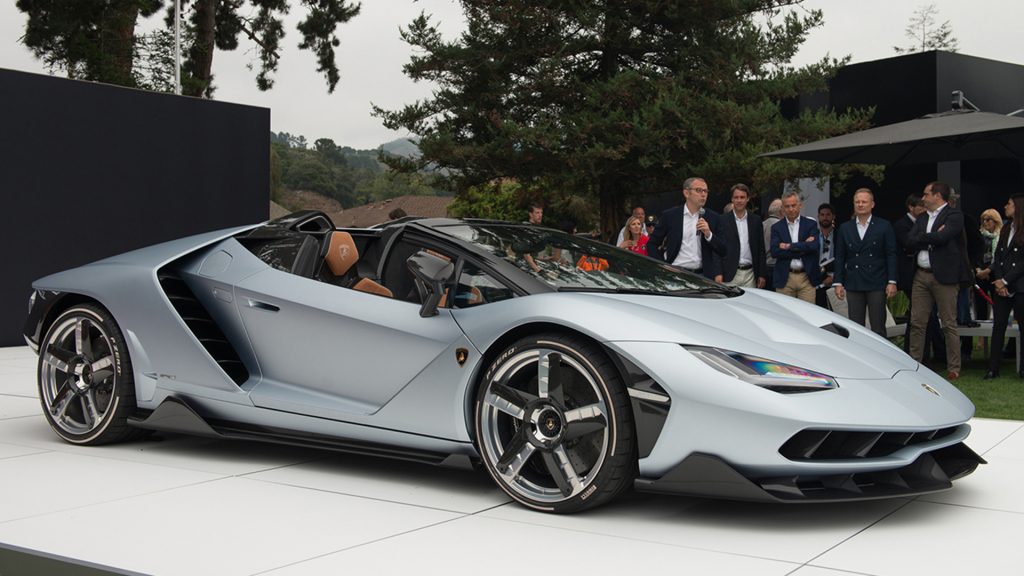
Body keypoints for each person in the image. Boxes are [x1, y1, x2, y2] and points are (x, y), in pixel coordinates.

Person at [907, 181, 971, 380]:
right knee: (917, 322)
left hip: (944, 276)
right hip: (921, 274)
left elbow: (944, 237)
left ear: (937, 196)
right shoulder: (922, 217)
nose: (923, 198)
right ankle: (914, 363)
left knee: (948, 322)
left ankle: (954, 367)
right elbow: (910, 240)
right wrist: (933, 236)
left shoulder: (954, 215)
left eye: (926, 194)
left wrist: (927, 237)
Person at [832, 188, 898, 337]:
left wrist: (892, 281)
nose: (860, 204)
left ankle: (880, 352)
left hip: (877, 281)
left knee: (878, 326)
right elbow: (840, 256)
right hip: (854, 281)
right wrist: (838, 282)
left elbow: (891, 254)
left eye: (864, 202)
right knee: (856, 327)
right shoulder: (845, 227)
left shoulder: (884, 226)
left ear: (872, 204)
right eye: (857, 202)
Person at [649, 177, 727, 279]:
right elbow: (652, 244)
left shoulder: (713, 218)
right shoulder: (670, 216)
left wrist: (709, 234)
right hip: (675, 274)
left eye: (706, 191)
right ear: (686, 193)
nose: (703, 194)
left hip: (702, 276)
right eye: (699, 190)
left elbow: (723, 250)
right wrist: (663, 265)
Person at [984, 194, 1024, 379]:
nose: (1005, 206)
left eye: (1009, 204)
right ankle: (993, 368)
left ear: (1018, 206)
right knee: (998, 326)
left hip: (1020, 286)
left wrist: (1006, 281)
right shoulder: (1007, 228)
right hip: (1002, 286)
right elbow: (998, 256)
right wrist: (999, 280)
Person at [770, 191, 820, 302]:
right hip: (785, 278)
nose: (791, 209)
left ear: (800, 205)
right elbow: (775, 251)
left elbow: (814, 246)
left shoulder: (810, 224)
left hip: (806, 277)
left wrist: (788, 246)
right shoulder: (776, 227)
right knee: (785, 312)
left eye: (793, 205)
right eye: (787, 206)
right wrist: (803, 246)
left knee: (808, 311)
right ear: (783, 208)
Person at [715, 183, 766, 288]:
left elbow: (761, 248)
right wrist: (718, 272)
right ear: (732, 199)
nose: (739, 200)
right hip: (729, 273)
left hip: (751, 274)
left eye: (742, 197)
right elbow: (717, 248)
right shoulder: (722, 220)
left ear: (748, 199)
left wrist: (762, 274)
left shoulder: (756, 221)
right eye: (736, 197)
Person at [975, 208, 1003, 322]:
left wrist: (988, 270)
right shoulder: (979, 236)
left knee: (998, 303)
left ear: (995, 221)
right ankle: (981, 330)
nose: (985, 222)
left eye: (988, 220)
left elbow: (1001, 257)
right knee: (980, 303)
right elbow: (974, 254)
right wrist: (978, 269)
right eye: (983, 220)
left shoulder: (1002, 236)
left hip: (996, 273)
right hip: (980, 272)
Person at [816, 203, 836, 309]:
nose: (825, 217)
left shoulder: (840, 235)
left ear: (833, 216)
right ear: (818, 217)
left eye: (828, 214)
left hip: (835, 282)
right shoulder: (812, 236)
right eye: (822, 215)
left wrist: (834, 277)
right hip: (817, 281)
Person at [763, 198, 783, 290]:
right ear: (781, 211)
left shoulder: (762, 224)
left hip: (764, 268)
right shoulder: (781, 227)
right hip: (776, 267)